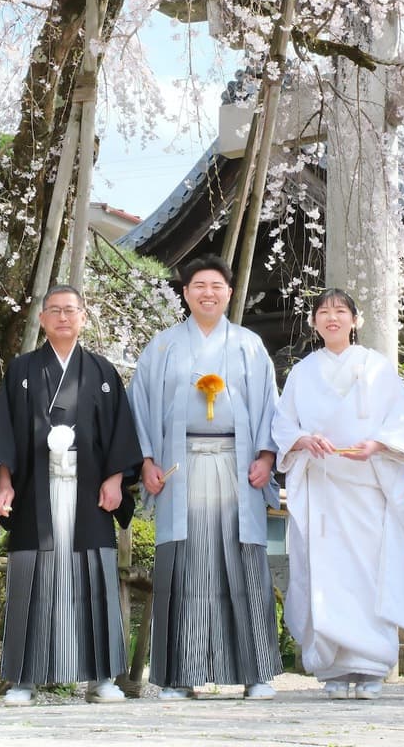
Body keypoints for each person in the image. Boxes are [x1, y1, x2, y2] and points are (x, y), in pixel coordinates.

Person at [128, 254, 281, 700]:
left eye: (216, 286)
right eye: (199, 286)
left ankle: (256, 673)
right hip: (180, 466)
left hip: (238, 463)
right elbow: (139, 406)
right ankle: (180, 675)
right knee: (185, 565)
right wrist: (146, 461)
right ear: (185, 293)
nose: (208, 293)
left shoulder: (249, 345)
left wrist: (267, 456)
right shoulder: (162, 347)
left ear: (229, 293)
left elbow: (270, 404)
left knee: (243, 561)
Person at [0, 285, 143, 705]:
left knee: (94, 576)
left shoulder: (102, 371)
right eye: (54, 310)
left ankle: (102, 678)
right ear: (41, 319)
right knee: (32, 577)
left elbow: (120, 432)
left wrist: (115, 479)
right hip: (35, 486)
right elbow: (4, 432)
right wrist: (4, 483)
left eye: (71, 310)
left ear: (84, 318)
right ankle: (23, 679)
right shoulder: (21, 369)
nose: (63, 317)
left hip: (89, 487)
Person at [273, 289, 404, 700]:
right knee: (326, 573)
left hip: (367, 487)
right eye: (324, 312)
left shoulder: (378, 367)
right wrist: (304, 440)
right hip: (323, 487)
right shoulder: (303, 372)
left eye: (341, 311)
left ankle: (373, 664)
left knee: (369, 574)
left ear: (355, 320)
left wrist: (377, 444)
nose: (332, 318)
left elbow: (400, 416)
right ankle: (333, 668)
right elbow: (284, 423)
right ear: (313, 322)